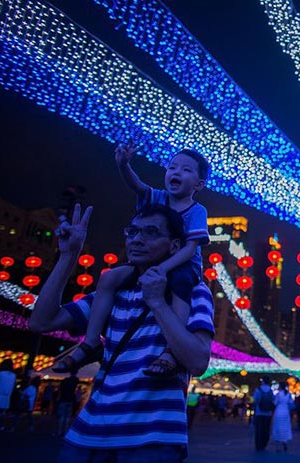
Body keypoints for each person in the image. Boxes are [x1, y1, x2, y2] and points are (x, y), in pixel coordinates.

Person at [29, 203, 214, 462]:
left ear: (174, 246)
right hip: (87, 432)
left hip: (153, 437)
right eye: (133, 232)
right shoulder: (112, 293)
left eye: (150, 232)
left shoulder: (192, 291)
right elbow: (41, 322)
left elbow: (198, 361)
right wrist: (68, 256)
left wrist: (157, 302)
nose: (137, 240)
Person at [53, 144, 210, 377]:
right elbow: (136, 184)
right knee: (108, 278)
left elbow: (190, 249)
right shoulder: (157, 197)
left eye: (186, 170)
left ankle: (171, 350)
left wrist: (163, 269)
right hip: (150, 263)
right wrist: (124, 164)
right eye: (172, 167)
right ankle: (92, 342)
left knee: (181, 284)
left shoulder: (197, 211)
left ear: (198, 184)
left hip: (183, 265)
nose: (176, 172)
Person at [253, 376, 274, 451]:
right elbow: (273, 400)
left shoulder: (258, 389)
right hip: (268, 413)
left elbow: (255, 400)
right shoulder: (271, 390)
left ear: (263, 381)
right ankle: (264, 444)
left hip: (259, 412)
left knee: (259, 429)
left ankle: (258, 445)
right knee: (266, 429)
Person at [271, 382, 293, 452]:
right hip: (286, 411)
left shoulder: (278, 394)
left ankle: (277, 444)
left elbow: (275, 403)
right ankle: (285, 442)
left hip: (279, 411)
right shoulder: (288, 394)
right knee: (285, 426)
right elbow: (291, 402)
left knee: (278, 426)